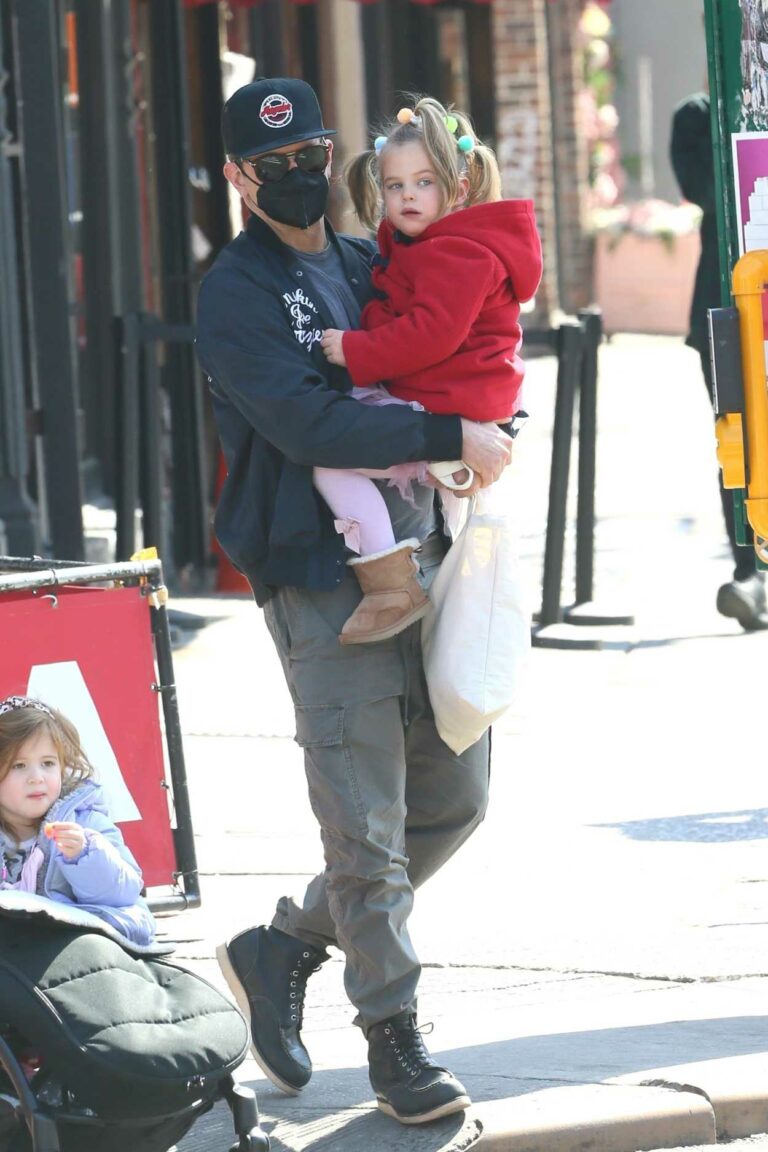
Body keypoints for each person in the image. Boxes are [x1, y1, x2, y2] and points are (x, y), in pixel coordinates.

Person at [196, 76, 513, 1125]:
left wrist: (483, 416)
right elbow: (310, 425)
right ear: (239, 177)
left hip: (422, 564)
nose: (302, 173)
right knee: (367, 829)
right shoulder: (234, 291)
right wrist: (442, 434)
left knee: (456, 794)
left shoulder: (369, 260)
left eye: (315, 151)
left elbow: (443, 352)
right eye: (275, 161)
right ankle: (395, 1042)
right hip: (318, 585)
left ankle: (285, 944)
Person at [315, 96, 541, 645]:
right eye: (395, 186)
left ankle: (388, 582)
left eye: (424, 183)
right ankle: (442, 489)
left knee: (333, 462)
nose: (408, 196)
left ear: (458, 188)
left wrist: (356, 348)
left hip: (448, 396)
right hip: (456, 393)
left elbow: (429, 334)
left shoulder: (457, 253)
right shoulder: (432, 245)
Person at [670, 91, 768, 629]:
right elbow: (709, 191)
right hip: (728, 306)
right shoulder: (700, 116)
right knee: (739, 437)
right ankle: (751, 572)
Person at [0, 695, 156, 946]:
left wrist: (85, 855)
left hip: (72, 948)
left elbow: (125, 891)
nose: (36, 777)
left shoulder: (86, 823)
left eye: (48, 763)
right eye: (19, 766)